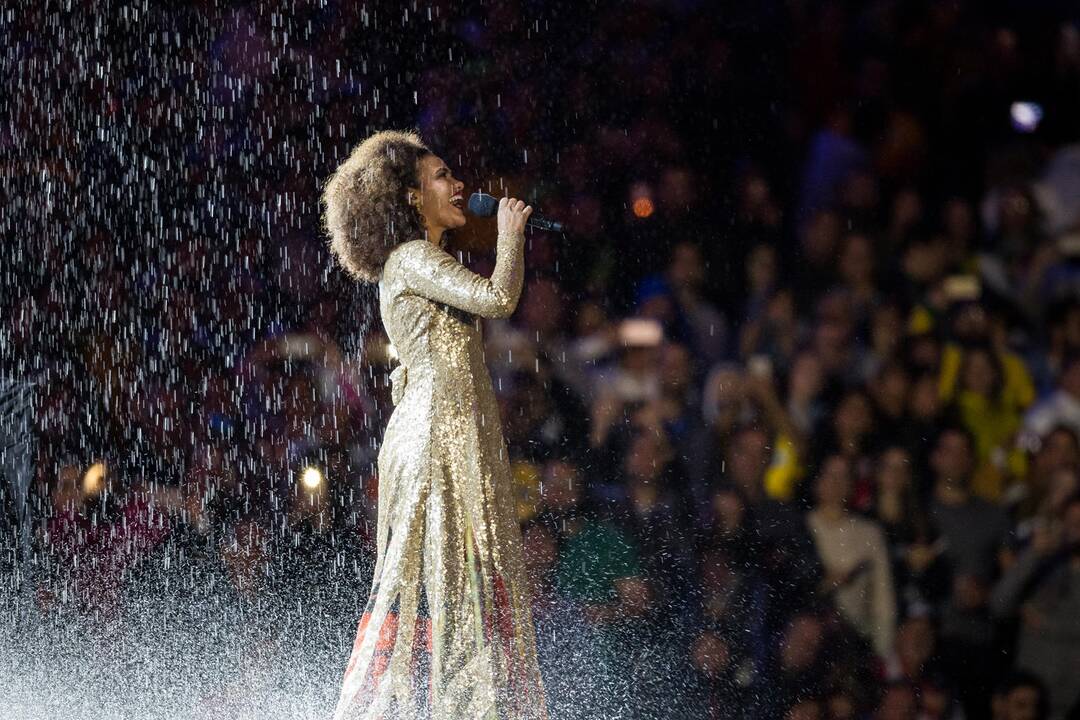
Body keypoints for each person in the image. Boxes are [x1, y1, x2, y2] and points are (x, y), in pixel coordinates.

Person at [321, 129, 548, 719]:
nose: (459, 185)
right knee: (443, 578)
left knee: (452, 580)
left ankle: (459, 704)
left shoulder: (424, 261)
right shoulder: (414, 257)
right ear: (410, 198)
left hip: (444, 431)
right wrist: (509, 235)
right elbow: (499, 298)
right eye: (442, 175)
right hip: (434, 439)